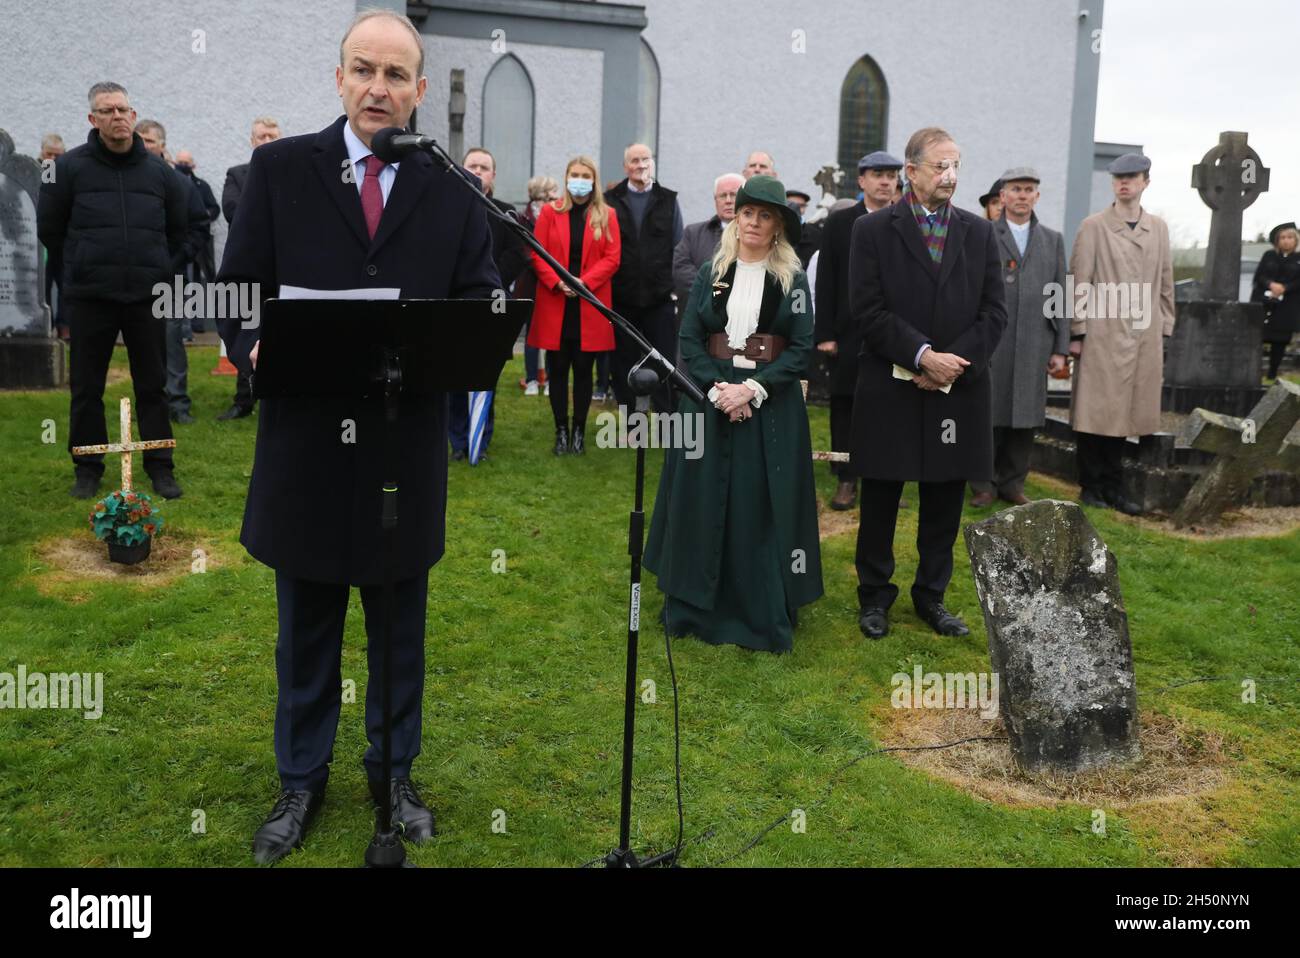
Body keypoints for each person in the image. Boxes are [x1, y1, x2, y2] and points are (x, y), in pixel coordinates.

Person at [216, 8, 501, 864]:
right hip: (305, 444)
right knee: (305, 625)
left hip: (399, 449)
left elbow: (482, 295)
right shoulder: (277, 170)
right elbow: (232, 295)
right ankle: (300, 779)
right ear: (338, 79)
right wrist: (253, 345)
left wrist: (457, 339)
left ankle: (393, 774)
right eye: (364, 70)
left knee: (398, 627)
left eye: (396, 75)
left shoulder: (451, 187)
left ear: (417, 89)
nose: (379, 88)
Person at [645, 174, 822, 653]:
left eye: (766, 216)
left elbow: (801, 349)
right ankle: (693, 606)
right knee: (700, 501)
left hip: (769, 408)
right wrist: (717, 389)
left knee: (758, 505)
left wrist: (752, 390)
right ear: (735, 217)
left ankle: (757, 612)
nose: (754, 223)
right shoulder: (711, 272)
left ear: (779, 226)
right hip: (710, 402)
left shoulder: (794, 279)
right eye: (748, 213)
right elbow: (689, 338)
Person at [848, 127, 1006, 640]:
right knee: (881, 496)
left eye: (956, 164)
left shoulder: (980, 233)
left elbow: (994, 313)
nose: (951, 175)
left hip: (955, 389)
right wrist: (920, 356)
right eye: (940, 166)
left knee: (944, 497)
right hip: (891, 386)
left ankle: (931, 597)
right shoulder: (871, 232)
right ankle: (874, 597)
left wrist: (950, 364)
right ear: (910, 172)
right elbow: (867, 310)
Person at [37, 82, 187, 502]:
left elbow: (181, 228)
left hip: (146, 296)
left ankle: (160, 467)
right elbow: (50, 228)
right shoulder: (68, 169)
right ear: (93, 119)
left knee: (152, 385)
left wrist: (162, 268)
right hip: (90, 296)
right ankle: (87, 467)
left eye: (123, 109)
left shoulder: (159, 172)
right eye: (107, 111)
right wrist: (80, 267)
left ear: (134, 115)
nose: (117, 117)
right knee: (86, 387)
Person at [1068, 152, 1174, 516]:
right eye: (1118, 178)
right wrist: (1078, 331)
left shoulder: (1157, 227)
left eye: (1132, 177)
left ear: (1146, 181)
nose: (1124, 183)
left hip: (1144, 332)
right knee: (1096, 410)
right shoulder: (1094, 226)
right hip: (1103, 329)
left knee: (1128, 415)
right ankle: (1091, 485)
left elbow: (1165, 279)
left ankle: (1115, 487)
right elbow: (1080, 279)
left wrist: (1167, 326)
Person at [969, 167, 1068, 507]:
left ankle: (1012, 483)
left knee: (1025, 417)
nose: (1023, 195)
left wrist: (1060, 347)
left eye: (1029, 189)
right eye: (1016, 189)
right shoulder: (983, 233)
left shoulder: (1052, 239)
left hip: (1034, 340)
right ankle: (983, 484)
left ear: (1037, 196)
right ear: (1003, 196)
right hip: (993, 339)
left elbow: (1058, 294)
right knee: (988, 413)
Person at [814, 150, 903, 510]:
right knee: (845, 405)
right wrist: (825, 334)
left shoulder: (906, 221)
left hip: (895, 333)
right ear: (861, 180)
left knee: (890, 407)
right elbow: (826, 279)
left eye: (891, 175)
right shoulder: (840, 223)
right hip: (848, 332)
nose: (885, 181)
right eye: (877, 174)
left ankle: (883, 479)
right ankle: (846, 479)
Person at [526, 156, 620, 455]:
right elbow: (537, 254)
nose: (579, 179)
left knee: (583, 370)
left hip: (588, 306)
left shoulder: (606, 215)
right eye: (574, 174)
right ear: (566, 178)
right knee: (557, 370)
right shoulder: (550, 214)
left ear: (593, 180)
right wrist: (558, 282)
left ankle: (579, 431)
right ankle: (561, 431)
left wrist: (583, 283)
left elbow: (612, 257)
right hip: (557, 303)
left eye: (584, 175)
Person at [447, 146, 528, 463]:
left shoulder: (505, 212)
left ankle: (483, 436)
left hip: (493, 302)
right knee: (453, 374)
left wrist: (488, 280)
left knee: (485, 373)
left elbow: (517, 254)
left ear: (493, 175)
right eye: (472, 165)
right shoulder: (448, 209)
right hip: (455, 303)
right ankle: (457, 439)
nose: (478, 171)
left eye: (484, 167)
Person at [135, 118, 210, 426]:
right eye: (139, 139)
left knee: (170, 339)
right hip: (132, 277)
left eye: (149, 140)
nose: (143, 145)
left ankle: (177, 403)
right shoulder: (126, 179)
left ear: (162, 145)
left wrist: (177, 259)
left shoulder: (179, 182)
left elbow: (199, 226)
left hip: (170, 275)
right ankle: (147, 403)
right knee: (140, 343)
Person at [605, 143, 684, 412]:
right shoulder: (609, 200)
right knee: (623, 362)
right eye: (635, 160)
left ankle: (666, 422)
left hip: (659, 298)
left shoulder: (669, 200)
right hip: (621, 297)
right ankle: (631, 422)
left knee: (663, 362)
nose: (641, 165)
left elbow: (678, 246)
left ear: (653, 162)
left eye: (646, 159)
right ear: (625, 166)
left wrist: (672, 289)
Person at [217, 116, 281, 422]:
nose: (267, 141)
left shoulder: (294, 174)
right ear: (252, 141)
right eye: (261, 136)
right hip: (250, 267)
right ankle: (244, 399)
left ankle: (280, 394)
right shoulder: (239, 174)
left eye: (272, 135)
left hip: (285, 269)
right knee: (248, 330)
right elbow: (232, 209)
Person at [516, 174, 560, 395]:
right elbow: (526, 253)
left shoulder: (558, 216)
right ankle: (532, 379)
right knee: (533, 333)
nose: (557, 195)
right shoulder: (523, 219)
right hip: (531, 285)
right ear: (542, 194)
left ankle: (551, 380)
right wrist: (545, 271)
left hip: (553, 285)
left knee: (552, 333)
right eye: (553, 191)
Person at [673, 172, 743, 309]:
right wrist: (713, 291)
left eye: (734, 195)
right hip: (698, 311)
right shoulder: (692, 233)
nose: (728, 200)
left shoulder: (755, 235)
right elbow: (680, 269)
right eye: (723, 195)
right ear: (715, 200)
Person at [1251, 222, 1300, 380]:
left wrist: (1285, 287)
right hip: (1264, 302)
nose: (1286, 241)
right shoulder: (1269, 255)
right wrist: (1271, 285)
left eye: (1290, 237)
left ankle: (1272, 373)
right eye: (1283, 237)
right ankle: (1253, 372)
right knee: (1257, 337)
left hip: (1287, 305)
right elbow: (1259, 276)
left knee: (1279, 341)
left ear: (1296, 240)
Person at [38, 135, 67, 340]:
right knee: (43, 285)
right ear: (42, 153)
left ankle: (64, 325)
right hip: (41, 241)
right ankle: (45, 324)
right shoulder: (38, 171)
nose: (54, 159)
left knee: (66, 284)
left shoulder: (66, 171)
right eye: (50, 154)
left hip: (63, 239)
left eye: (58, 155)